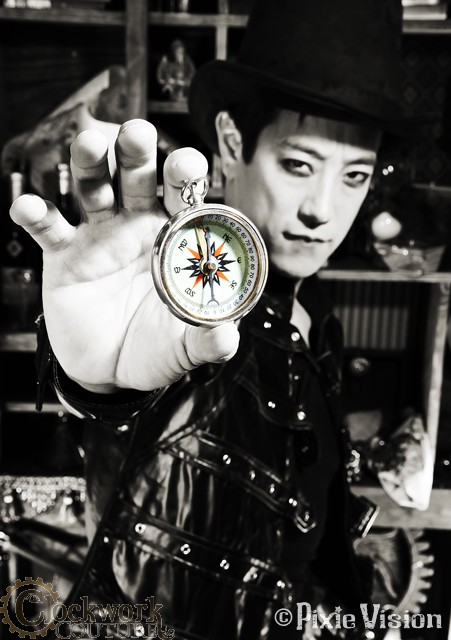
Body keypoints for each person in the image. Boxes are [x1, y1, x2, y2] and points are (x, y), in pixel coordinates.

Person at [10, 0, 415, 638]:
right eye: (299, 165)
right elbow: (123, 407)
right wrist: (98, 386)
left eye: (355, 175)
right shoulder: (179, 301)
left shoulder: (316, 312)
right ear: (231, 143)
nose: (322, 209)